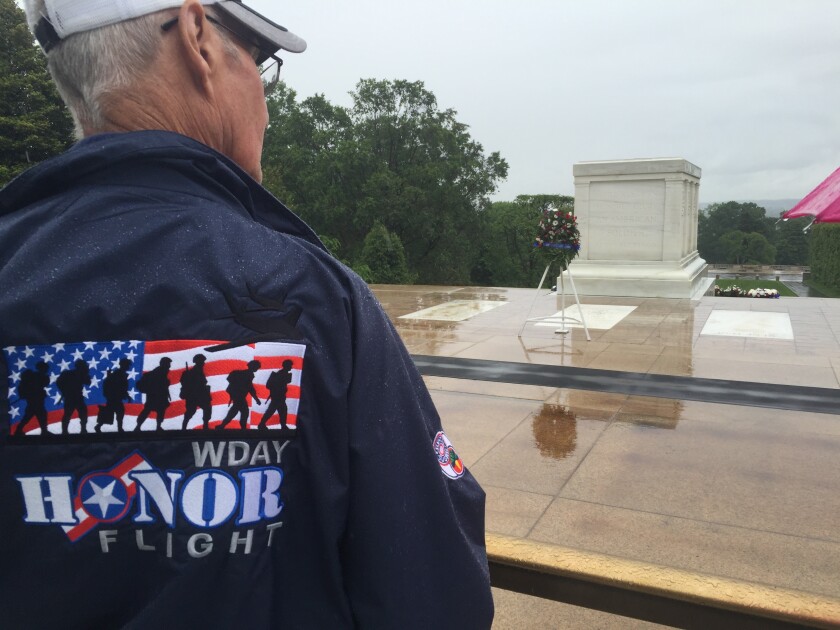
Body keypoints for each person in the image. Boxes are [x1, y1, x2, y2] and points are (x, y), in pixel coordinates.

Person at [0, 1, 493, 628]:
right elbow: (431, 594)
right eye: (259, 62)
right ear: (198, 38)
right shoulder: (315, 299)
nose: (263, 98)